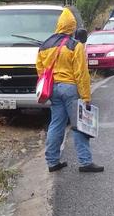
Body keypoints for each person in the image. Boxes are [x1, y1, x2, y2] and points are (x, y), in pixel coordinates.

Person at [36, 9, 104, 173]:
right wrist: (86, 97)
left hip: (52, 88)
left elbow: (40, 69)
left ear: (59, 25)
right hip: (70, 88)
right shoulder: (76, 46)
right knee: (79, 124)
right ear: (72, 27)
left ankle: (52, 162)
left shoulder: (45, 45)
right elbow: (81, 74)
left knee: (56, 124)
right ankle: (85, 162)